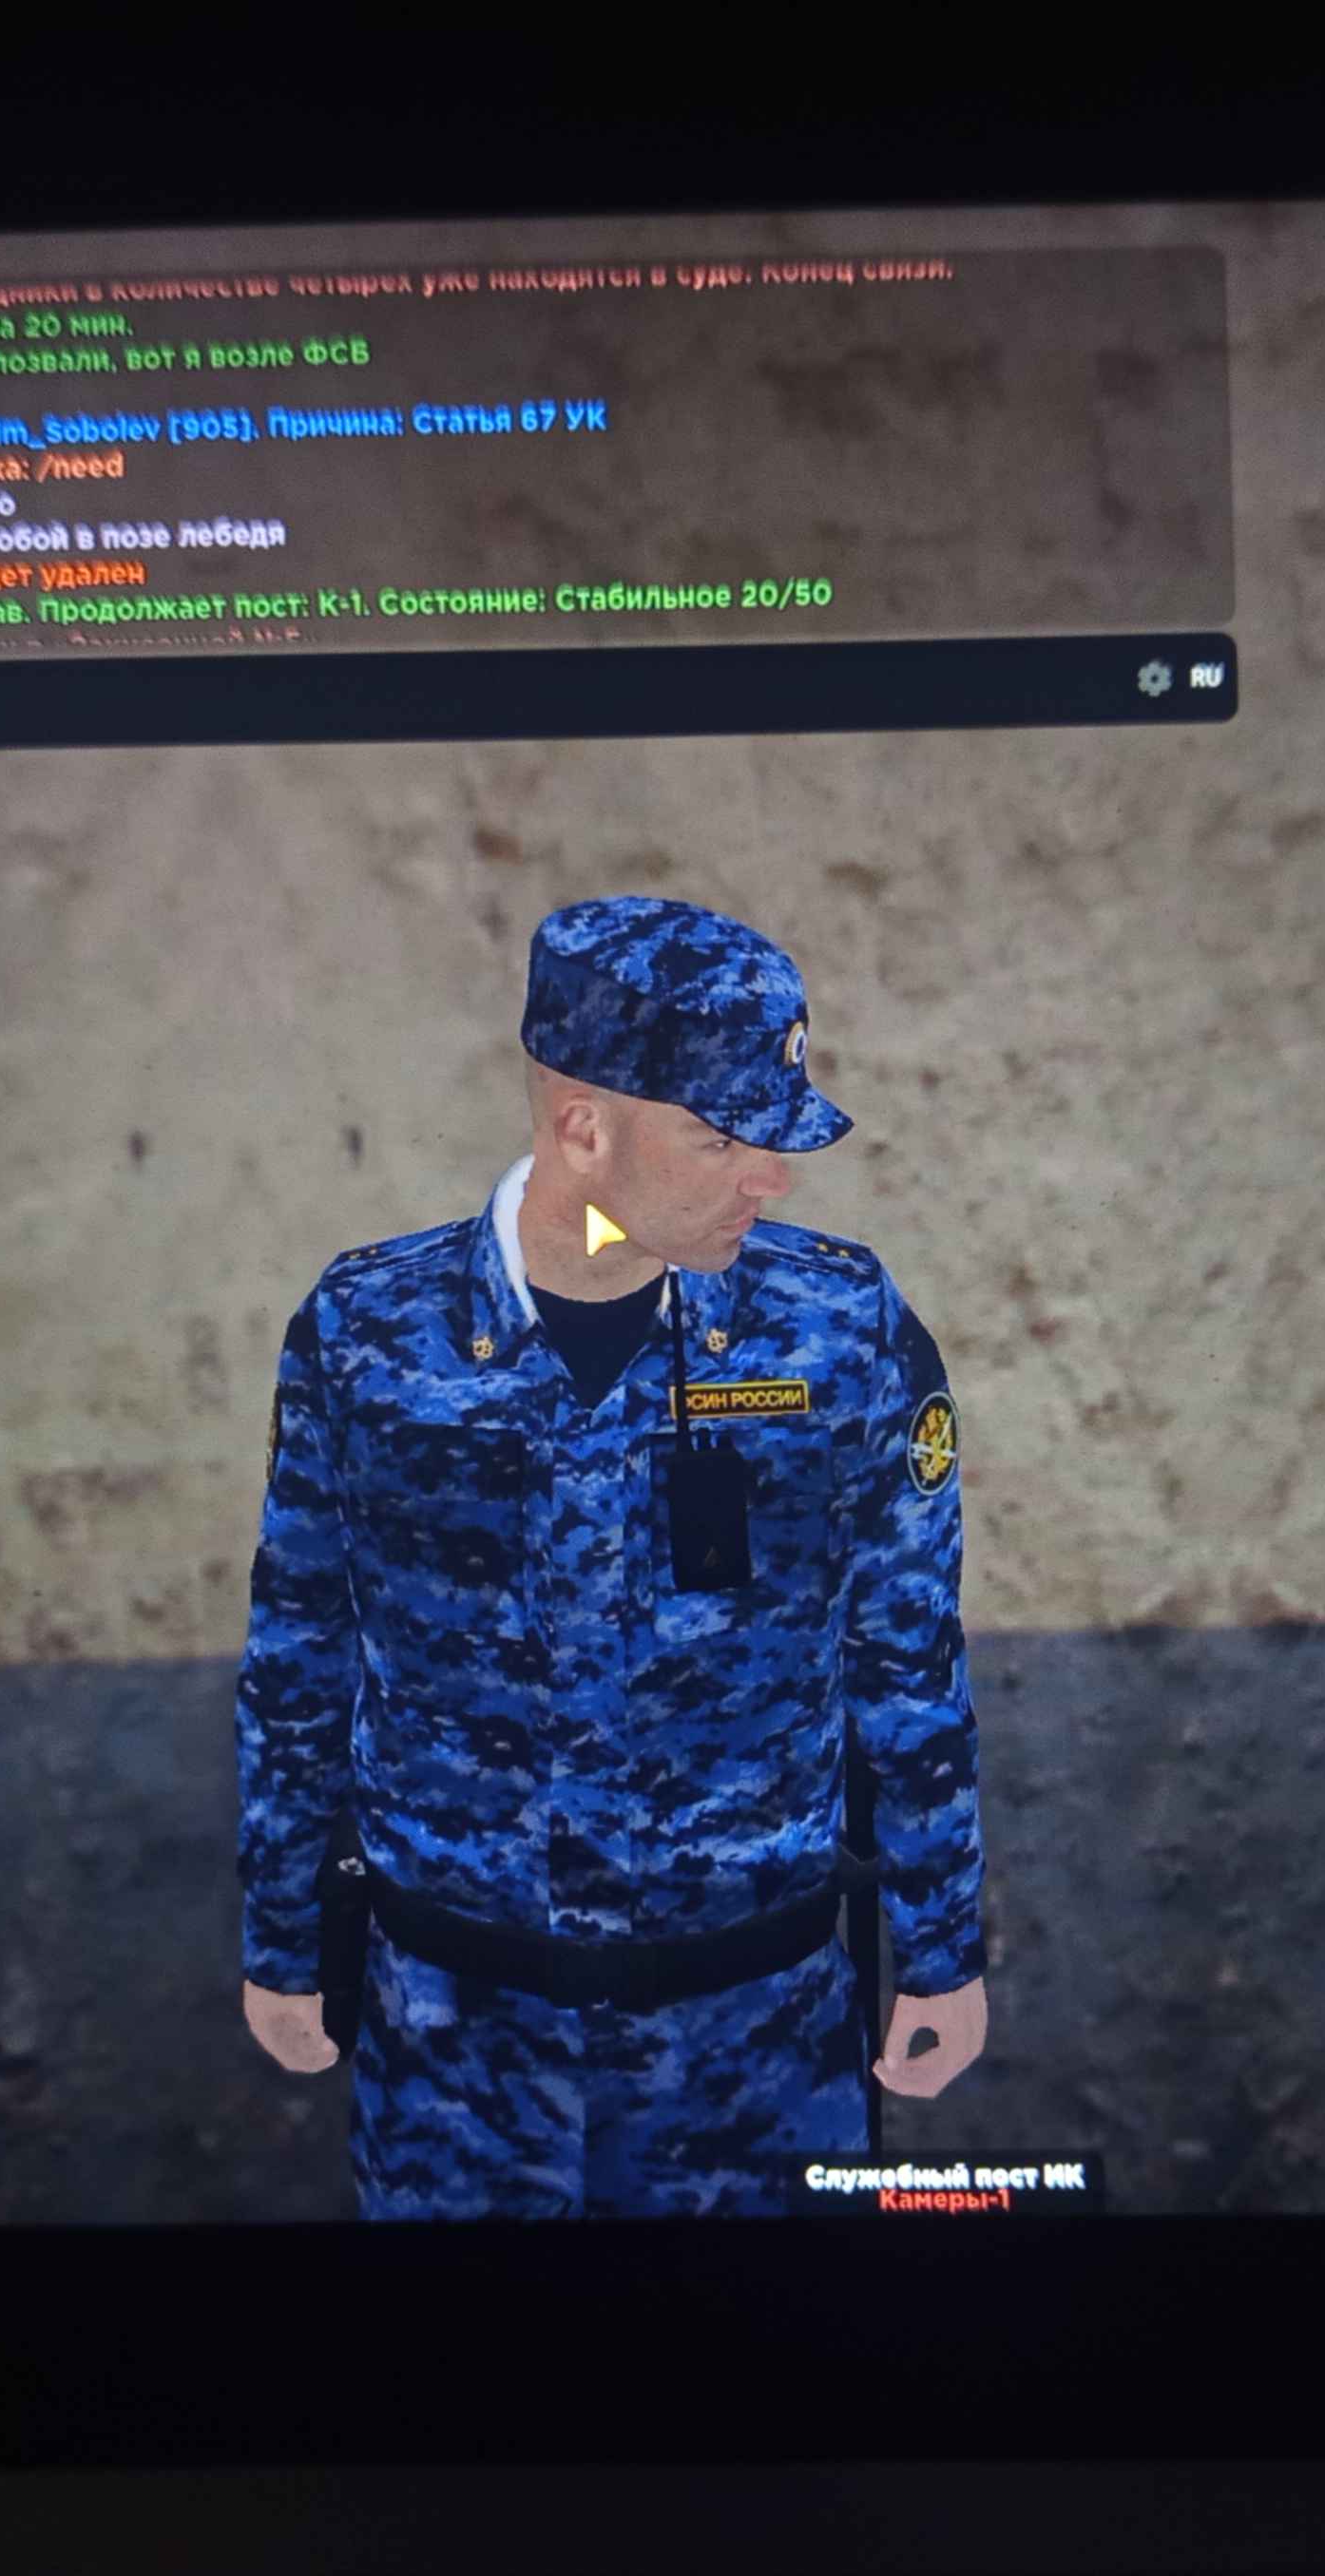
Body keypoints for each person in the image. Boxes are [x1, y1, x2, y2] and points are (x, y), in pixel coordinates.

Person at [235, 895, 987, 2218]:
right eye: (721, 1137)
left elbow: (906, 1648)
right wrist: (285, 1939)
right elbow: (301, 1647)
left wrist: (940, 1948)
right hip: (457, 2049)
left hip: (759, 2041)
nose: (771, 1176)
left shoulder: (839, 1325)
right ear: (583, 1128)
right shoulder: (369, 1333)